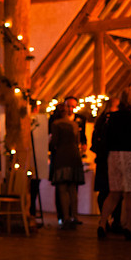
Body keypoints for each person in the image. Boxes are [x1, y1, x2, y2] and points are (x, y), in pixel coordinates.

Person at [97, 89, 131, 241]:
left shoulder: (112, 118)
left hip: (114, 156)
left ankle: (102, 223)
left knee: (114, 193)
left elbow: (106, 140)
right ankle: (128, 226)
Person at [49, 95, 86, 230]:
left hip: (62, 156)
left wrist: (51, 146)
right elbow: (78, 141)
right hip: (74, 156)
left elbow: (54, 143)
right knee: (72, 188)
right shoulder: (75, 124)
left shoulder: (56, 124)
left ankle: (65, 217)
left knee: (62, 188)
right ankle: (75, 216)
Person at [90, 97, 122, 234]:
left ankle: (109, 220)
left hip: (103, 159)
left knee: (107, 191)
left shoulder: (100, 122)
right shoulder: (107, 122)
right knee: (112, 191)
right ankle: (110, 220)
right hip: (107, 159)